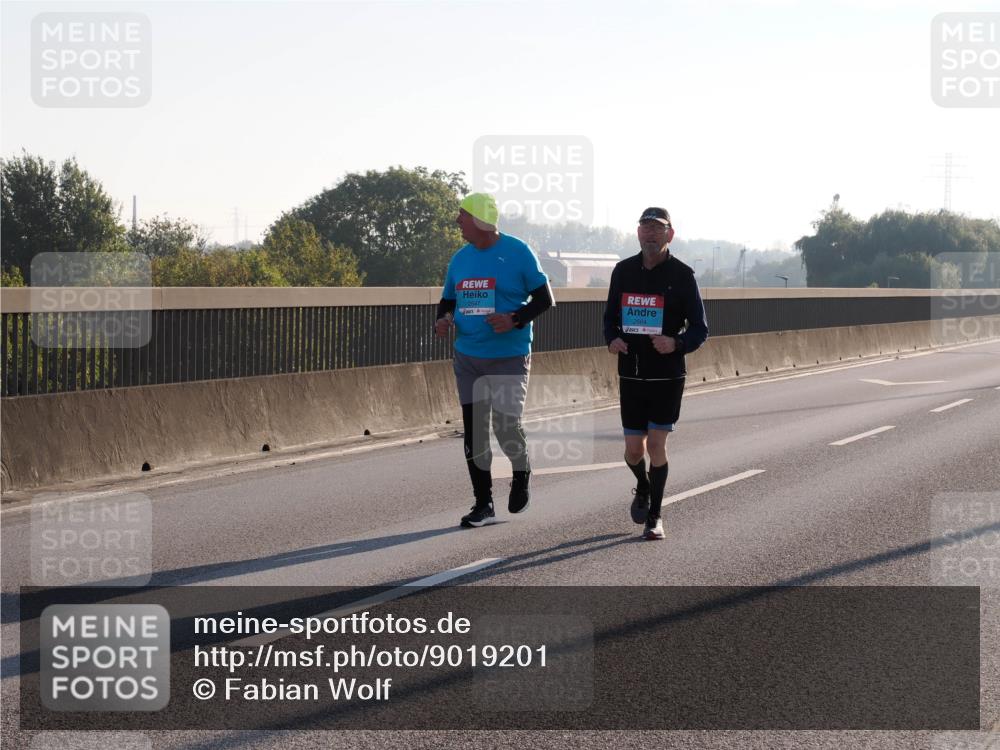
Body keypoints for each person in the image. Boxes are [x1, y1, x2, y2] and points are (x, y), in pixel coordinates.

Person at [435, 193, 554, 528]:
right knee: (475, 431)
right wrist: (443, 320)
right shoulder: (459, 259)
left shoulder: (518, 252)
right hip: (468, 355)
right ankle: (483, 503)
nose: (457, 221)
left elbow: (545, 299)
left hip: (508, 356)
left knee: (505, 427)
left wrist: (515, 318)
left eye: (462, 214)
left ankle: (521, 471)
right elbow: (447, 301)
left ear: (480, 220)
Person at [603, 207, 708, 540]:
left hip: (667, 374)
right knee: (634, 450)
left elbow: (700, 329)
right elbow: (609, 318)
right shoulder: (622, 271)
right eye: (645, 228)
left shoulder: (683, 275)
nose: (650, 234)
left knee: (656, 446)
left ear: (670, 234)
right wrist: (612, 339)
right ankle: (643, 486)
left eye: (657, 229)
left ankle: (655, 517)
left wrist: (675, 343)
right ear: (638, 234)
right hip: (632, 373)